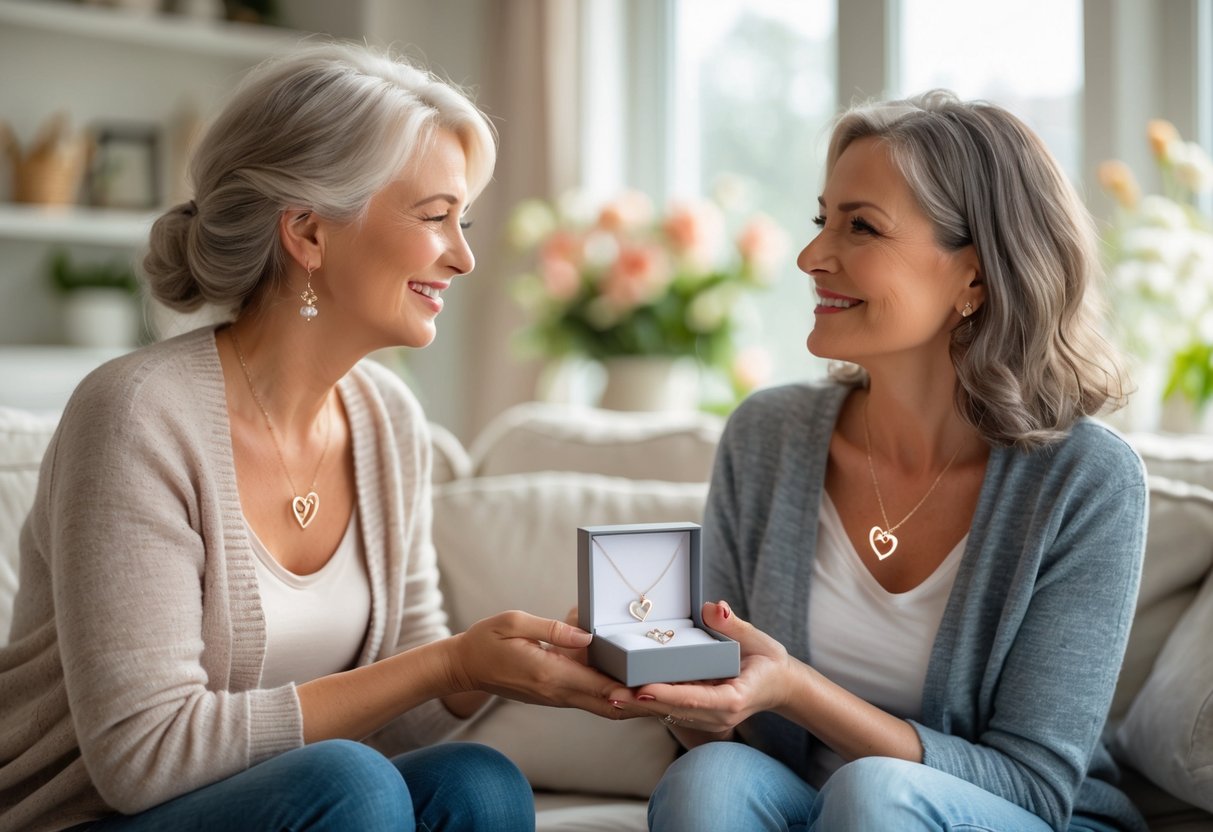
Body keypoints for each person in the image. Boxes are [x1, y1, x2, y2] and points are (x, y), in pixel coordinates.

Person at [0, 42, 624, 832]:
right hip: (80, 816)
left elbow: (404, 718)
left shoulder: (388, 421)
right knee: (350, 784)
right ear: (307, 232)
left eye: (461, 221)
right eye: (436, 218)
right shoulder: (136, 417)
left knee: (477, 782)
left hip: (271, 804)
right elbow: (141, 757)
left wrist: (506, 663)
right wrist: (448, 662)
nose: (463, 257)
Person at [622, 91, 1149, 832]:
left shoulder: (1086, 482)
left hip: (1006, 819)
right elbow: (739, 730)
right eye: (820, 220)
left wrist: (794, 688)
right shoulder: (766, 436)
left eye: (860, 227)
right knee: (710, 778)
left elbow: (1032, 788)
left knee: (875, 795)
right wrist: (670, 684)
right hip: (804, 805)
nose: (810, 257)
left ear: (975, 276)